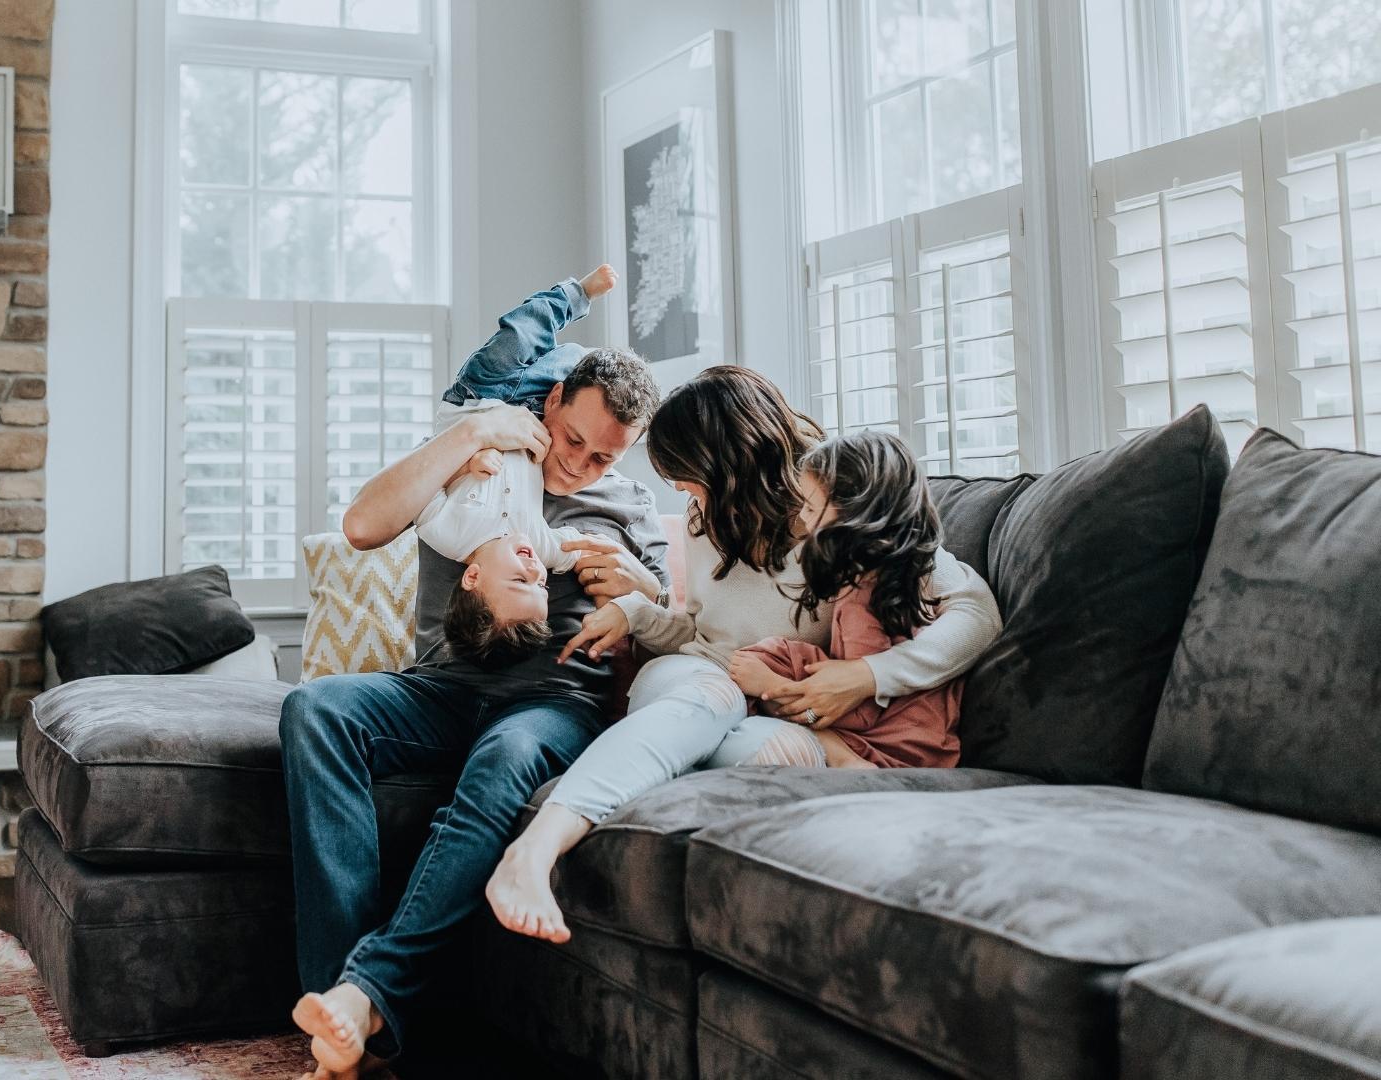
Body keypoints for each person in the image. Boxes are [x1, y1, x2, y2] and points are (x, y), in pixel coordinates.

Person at [485, 366, 1000, 945]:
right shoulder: (706, 519)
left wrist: (866, 676)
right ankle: (535, 848)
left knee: (756, 750)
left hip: (775, 712)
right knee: (710, 699)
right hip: (701, 678)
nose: (682, 495)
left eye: (687, 478)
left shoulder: (835, 506)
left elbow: (977, 615)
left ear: (727, 463)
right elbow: (699, 635)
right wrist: (636, 612)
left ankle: (624, 799)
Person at [281, 315, 670, 1078]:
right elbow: (362, 526)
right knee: (315, 709)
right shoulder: (478, 456)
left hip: (554, 702)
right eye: (573, 441)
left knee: (507, 754)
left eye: (605, 457)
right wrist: (471, 434)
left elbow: (666, 634)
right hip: (441, 688)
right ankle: (339, 1001)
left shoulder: (629, 510)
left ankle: (363, 996)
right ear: (552, 402)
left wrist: (641, 592)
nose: (582, 466)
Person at [724, 429, 962, 770]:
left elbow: (861, 713)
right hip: (926, 738)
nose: (803, 521)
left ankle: (846, 762)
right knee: (783, 656)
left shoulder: (861, 599)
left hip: (899, 748)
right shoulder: (898, 576)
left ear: (853, 514)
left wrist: (771, 686)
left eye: (809, 507)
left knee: (770, 668)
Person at [421, 265, 621, 665]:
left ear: (473, 578)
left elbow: (422, 475)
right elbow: (587, 552)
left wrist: (465, 465)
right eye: (542, 585)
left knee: (521, 333)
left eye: (519, 579)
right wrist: (634, 590)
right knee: (584, 367)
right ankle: (581, 357)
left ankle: (576, 294)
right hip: (531, 412)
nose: (534, 569)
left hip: (478, 396)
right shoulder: (540, 544)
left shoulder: (446, 533)